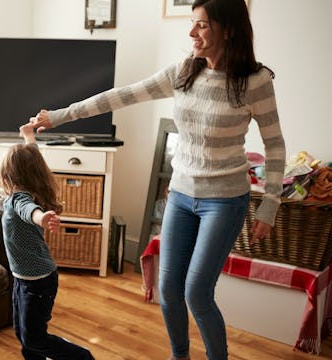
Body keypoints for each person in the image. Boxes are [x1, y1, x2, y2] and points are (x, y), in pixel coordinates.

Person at [29, 0, 286, 359]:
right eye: (192, 24)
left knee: (197, 292)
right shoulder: (184, 71)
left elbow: (274, 144)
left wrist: (269, 205)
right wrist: (59, 116)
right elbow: (120, 96)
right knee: (168, 288)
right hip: (181, 194)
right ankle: (179, 355)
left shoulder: (255, 82)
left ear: (228, 29)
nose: (192, 33)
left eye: (202, 25)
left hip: (225, 200)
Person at [0, 122, 95, 360]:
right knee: (23, 334)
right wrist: (29, 137)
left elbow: (27, 209)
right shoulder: (30, 188)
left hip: (37, 283)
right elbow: (32, 158)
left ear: (9, 173)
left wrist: (41, 218)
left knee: (34, 338)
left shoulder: (18, 199)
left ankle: (82, 357)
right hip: (24, 279)